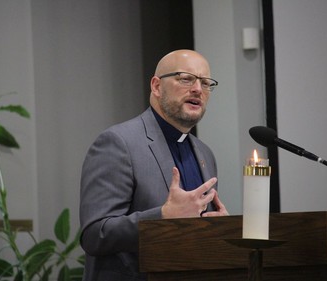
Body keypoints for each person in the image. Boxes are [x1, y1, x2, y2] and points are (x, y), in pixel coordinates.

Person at [79, 49, 229, 281]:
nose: (198, 89)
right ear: (157, 86)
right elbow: (95, 235)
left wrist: (215, 229)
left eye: (206, 83)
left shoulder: (205, 153)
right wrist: (163, 215)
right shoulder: (118, 143)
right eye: (186, 78)